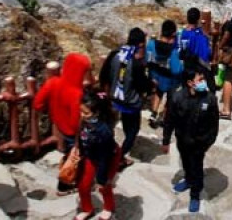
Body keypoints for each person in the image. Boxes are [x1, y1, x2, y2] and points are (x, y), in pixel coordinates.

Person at [161, 64, 219, 214]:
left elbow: (214, 125)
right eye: (200, 79)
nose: (203, 81)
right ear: (190, 83)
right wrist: (166, 140)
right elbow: (169, 120)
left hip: (199, 143)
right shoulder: (177, 98)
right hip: (182, 139)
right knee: (186, 162)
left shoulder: (210, 99)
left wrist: (207, 142)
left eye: (203, 78)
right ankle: (187, 179)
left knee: (197, 167)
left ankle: (195, 194)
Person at [34, 52, 92, 193]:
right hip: (74, 132)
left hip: (59, 124)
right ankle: (66, 184)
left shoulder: (53, 82)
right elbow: (75, 123)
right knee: (76, 157)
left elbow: (37, 104)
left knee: (69, 152)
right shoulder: (77, 94)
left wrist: (52, 108)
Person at [98, 28, 152, 169]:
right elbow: (142, 85)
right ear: (140, 44)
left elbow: (104, 74)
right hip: (131, 102)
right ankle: (120, 157)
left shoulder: (115, 54)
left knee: (117, 125)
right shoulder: (136, 63)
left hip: (115, 98)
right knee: (132, 130)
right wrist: (151, 85)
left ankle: (113, 151)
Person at [75, 89, 120, 220]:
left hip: (108, 157)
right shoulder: (85, 120)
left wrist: (101, 178)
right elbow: (80, 133)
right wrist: (77, 148)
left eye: (86, 113)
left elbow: (104, 159)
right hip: (91, 154)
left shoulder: (103, 132)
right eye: (81, 111)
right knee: (83, 185)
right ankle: (87, 209)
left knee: (104, 186)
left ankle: (108, 207)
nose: (82, 115)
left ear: (97, 113)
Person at [146, 20, 184, 128]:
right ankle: (164, 118)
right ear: (172, 35)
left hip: (156, 77)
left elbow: (147, 60)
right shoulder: (172, 51)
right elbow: (176, 70)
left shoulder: (151, 44)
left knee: (158, 92)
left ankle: (153, 114)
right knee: (170, 98)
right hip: (170, 81)